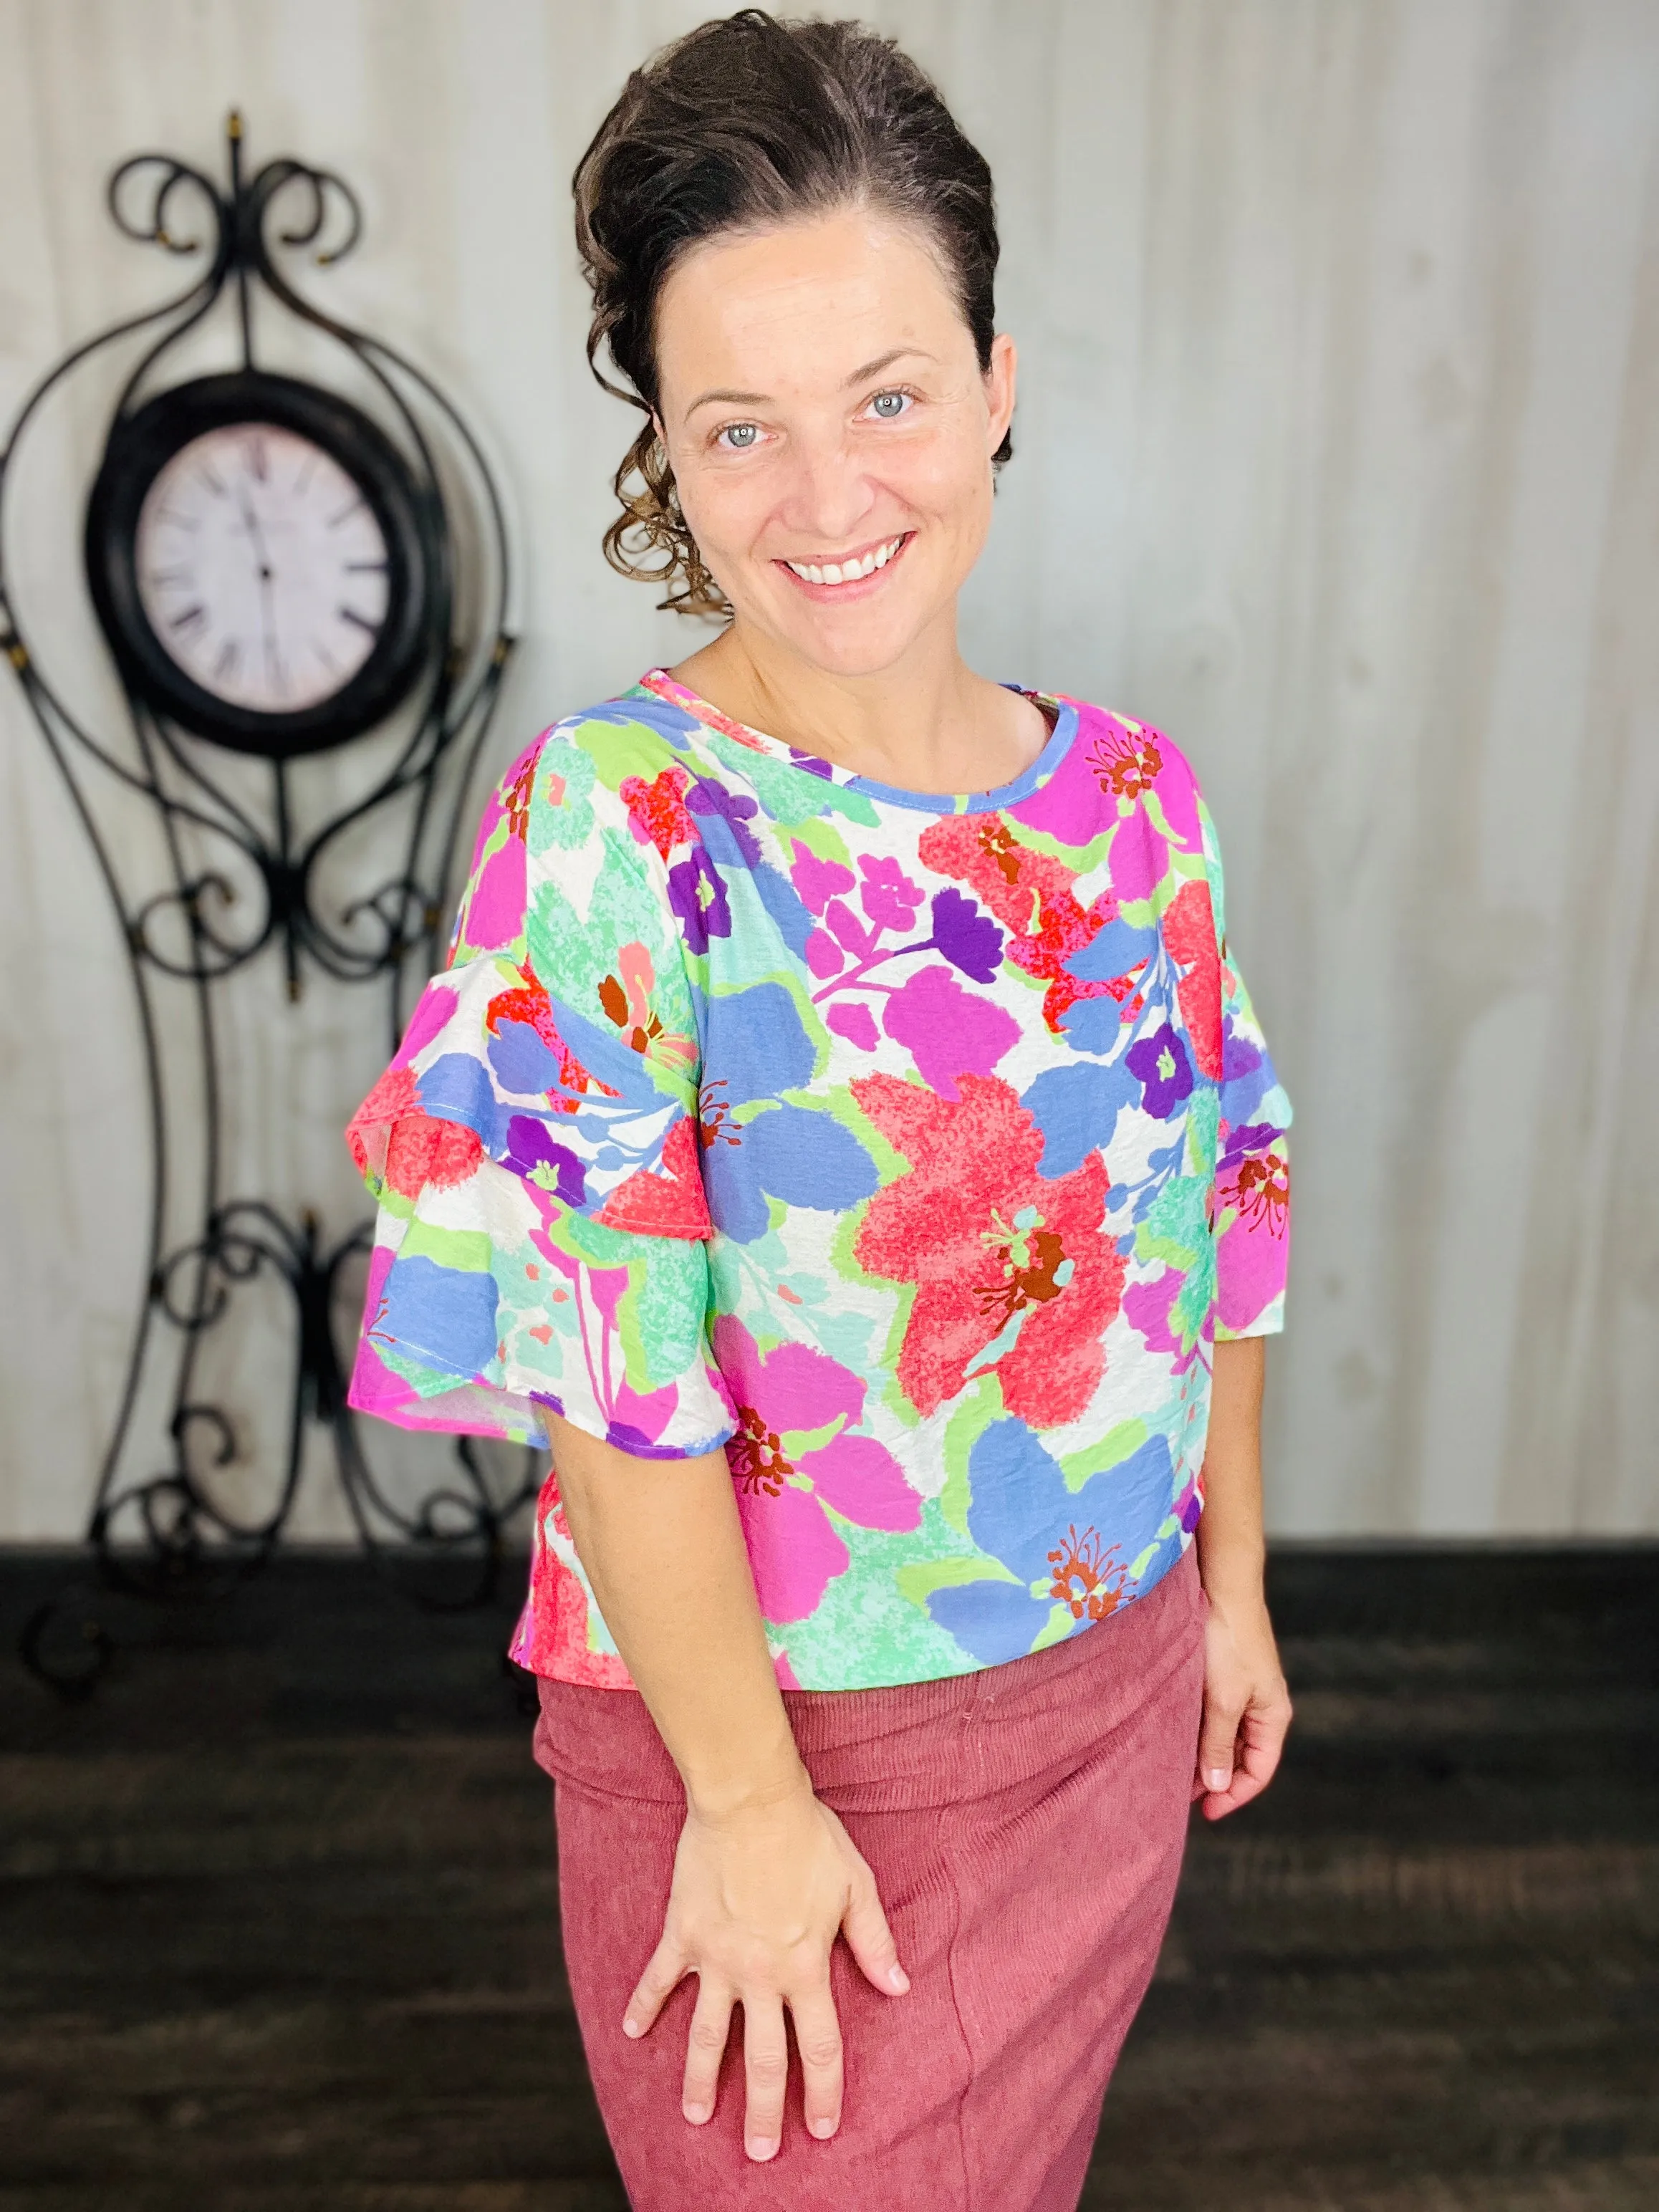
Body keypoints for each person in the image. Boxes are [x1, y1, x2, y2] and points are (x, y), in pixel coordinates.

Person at [343, 11, 1294, 2207]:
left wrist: (1230, 1584)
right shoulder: (618, 826)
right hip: (769, 1758)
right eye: (738, 430)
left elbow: (1217, 1202)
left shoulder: (1134, 799)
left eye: (886, 396)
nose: (828, 495)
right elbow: (613, 1366)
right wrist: (751, 1813)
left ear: (996, 385)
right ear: (667, 463)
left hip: (1103, 1696)